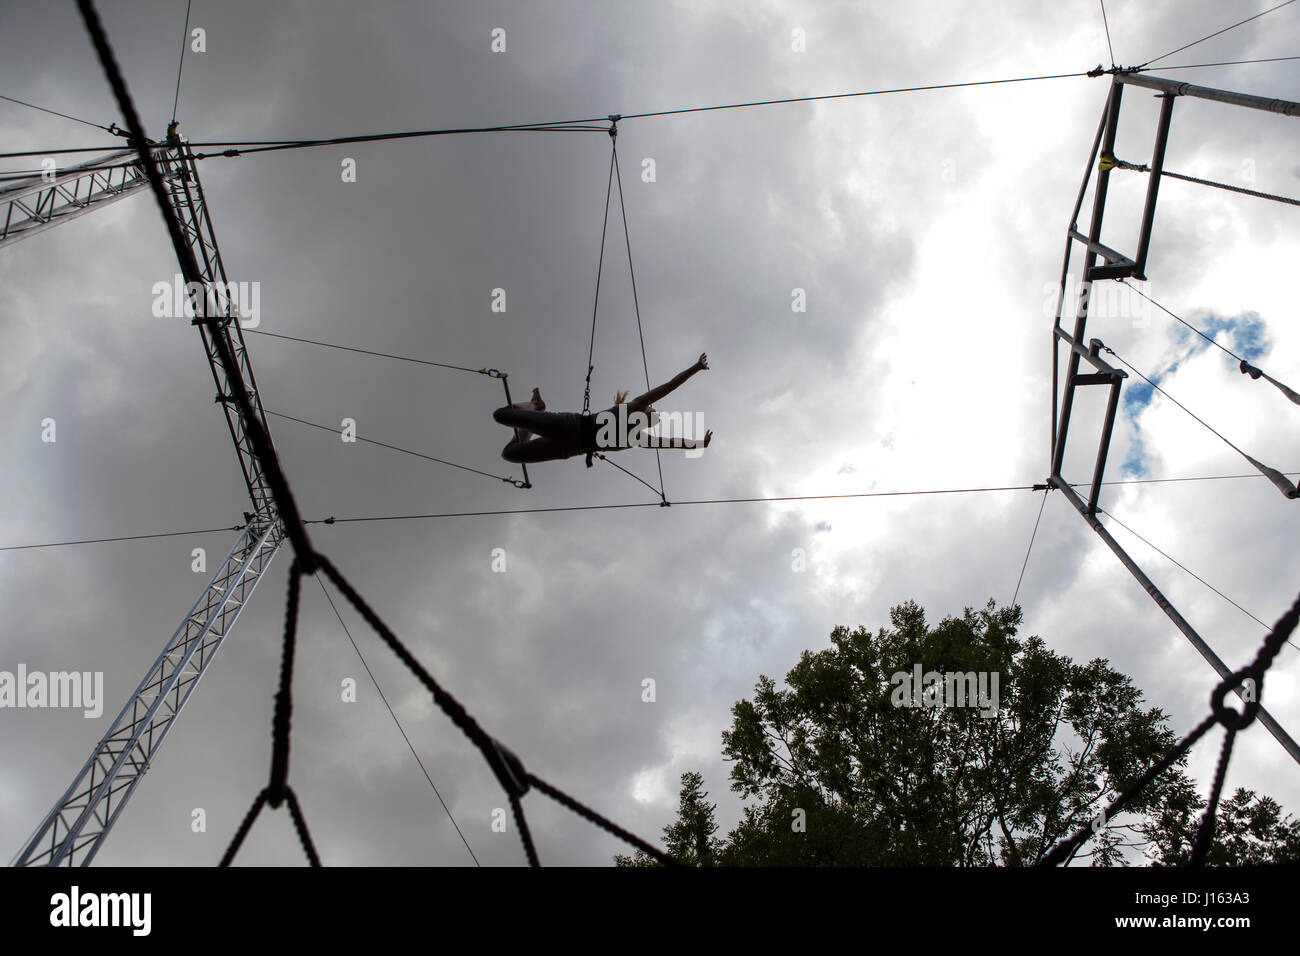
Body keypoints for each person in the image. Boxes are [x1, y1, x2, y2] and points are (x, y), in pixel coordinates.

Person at [493, 353, 712, 465]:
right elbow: (669, 386)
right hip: (569, 425)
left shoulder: (640, 439)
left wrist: (699, 444)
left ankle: (536, 410)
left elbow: (672, 443)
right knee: (501, 415)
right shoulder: (634, 406)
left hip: (570, 449)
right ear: (645, 411)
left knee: (509, 454)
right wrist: (695, 368)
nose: (657, 413)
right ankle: (535, 407)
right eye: (654, 409)